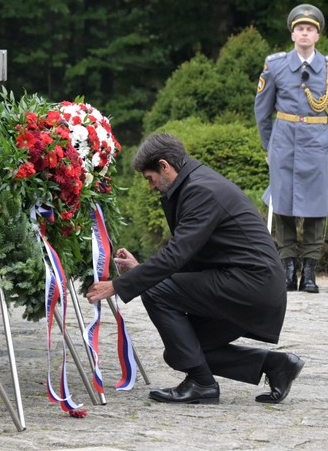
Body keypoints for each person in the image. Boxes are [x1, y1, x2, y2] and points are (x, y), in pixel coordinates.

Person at [85, 133, 303, 405]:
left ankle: (201, 384)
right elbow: (190, 252)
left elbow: (177, 255)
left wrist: (117, 286)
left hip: (251, 285)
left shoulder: (201, 190)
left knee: (155, 294)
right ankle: (275, 365)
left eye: (150, 179)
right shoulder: (196, 184)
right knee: (183, 350)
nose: (151, 187)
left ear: (164, 166)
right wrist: (141, 269)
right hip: (246, 282)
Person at [254, 4, 328, 293]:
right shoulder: (276, 65)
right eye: (300, 28)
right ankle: (287, 267)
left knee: (316, 209)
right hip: (283, 143)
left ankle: (309, 270)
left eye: (310, 29)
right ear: (293, 33)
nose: (305, 33)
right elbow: (262, 110)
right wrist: (269, 146)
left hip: (316, 144)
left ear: (317, 36)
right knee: (282, 205)